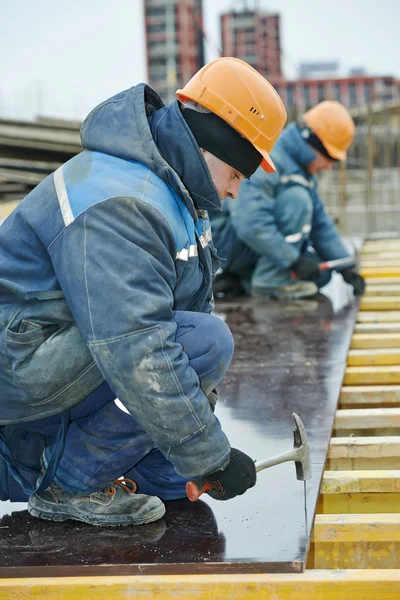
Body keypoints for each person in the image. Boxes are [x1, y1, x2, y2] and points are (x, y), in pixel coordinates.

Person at [0, 58, 287, 526]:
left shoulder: (173, 194)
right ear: (210, 146)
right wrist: (210, 455)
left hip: (56, 351)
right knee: (206, 343)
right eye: (237, 174)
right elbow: (138, 346)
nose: (235, 191)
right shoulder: (124, 200)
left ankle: (95, 464)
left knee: (178, 482)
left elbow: (188, 305)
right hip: (18, 361)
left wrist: (198, 437)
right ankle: (67, 482)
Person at [210, 100, 366, 300]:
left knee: (320, 274)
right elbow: (249, 222)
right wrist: (293, 261)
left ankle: (241, 281)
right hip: (231, 242)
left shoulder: (302, 172)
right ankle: (271, 283)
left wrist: (345, 266)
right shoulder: (271, 160)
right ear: (314, 146)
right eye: (331, 159)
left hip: (254, 245)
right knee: (297, 200)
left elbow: (320, 224)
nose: (329, 167)